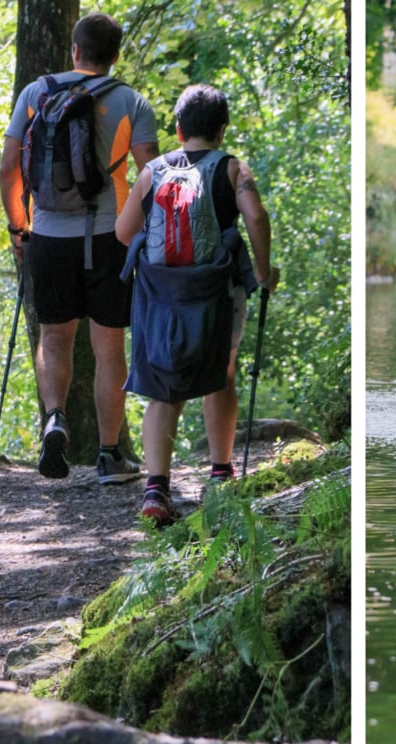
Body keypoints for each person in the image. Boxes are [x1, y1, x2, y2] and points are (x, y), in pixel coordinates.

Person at [0, 11, 160, 484]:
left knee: (53, 337)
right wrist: (144, 237)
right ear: (115, 55)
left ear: (74, 50)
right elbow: (153, 176)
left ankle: (55, 418)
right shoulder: (131, 101)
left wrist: (19, 229)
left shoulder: (36, 93)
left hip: (47, 235)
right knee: (109, 346)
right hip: (110, 237)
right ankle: (110, 456)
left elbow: (9, 169)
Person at [115, 83, 278, 527]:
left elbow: (123, 232)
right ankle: (221, 475)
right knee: (221, 373)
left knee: (163, 387)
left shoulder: (153, 171)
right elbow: (256, 217)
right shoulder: (232, 170)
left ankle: (155, 490)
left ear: (178, 127)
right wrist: (263, 273)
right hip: (217, 293)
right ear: (222, 130)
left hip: (161, 297)